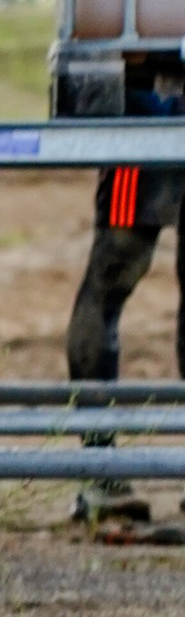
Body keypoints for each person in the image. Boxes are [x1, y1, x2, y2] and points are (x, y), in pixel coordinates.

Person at [64, 84, 185, 523]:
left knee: (107, 286)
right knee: (110, 280)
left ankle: (101, 472)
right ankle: (101, 471)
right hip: (148, 107)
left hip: (147, 109)